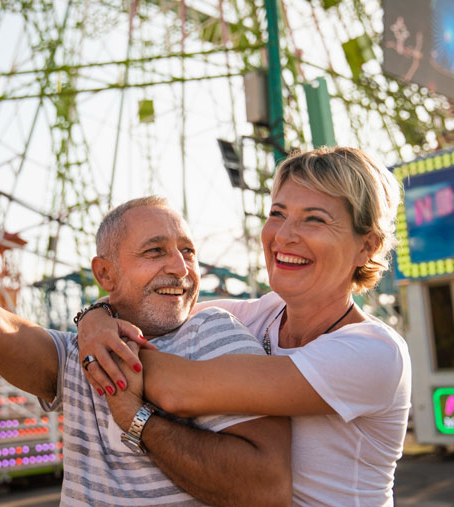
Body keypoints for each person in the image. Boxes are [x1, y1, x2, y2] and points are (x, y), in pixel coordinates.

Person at [0, 72, 292, 506]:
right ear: (105, 275)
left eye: (188, 250)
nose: (180, 267)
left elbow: (266, 488)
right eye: (154, 251)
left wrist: (137, 419)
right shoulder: (76, 357)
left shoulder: (217, 335)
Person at [78, 147, 412, 506]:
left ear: (367, 247)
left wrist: (103, 342)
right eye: (277, 214)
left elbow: (179, 391)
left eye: (313, 219)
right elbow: (145, 311)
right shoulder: (257, 316)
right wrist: (93, 318)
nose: (284, 236)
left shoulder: (374, 353)